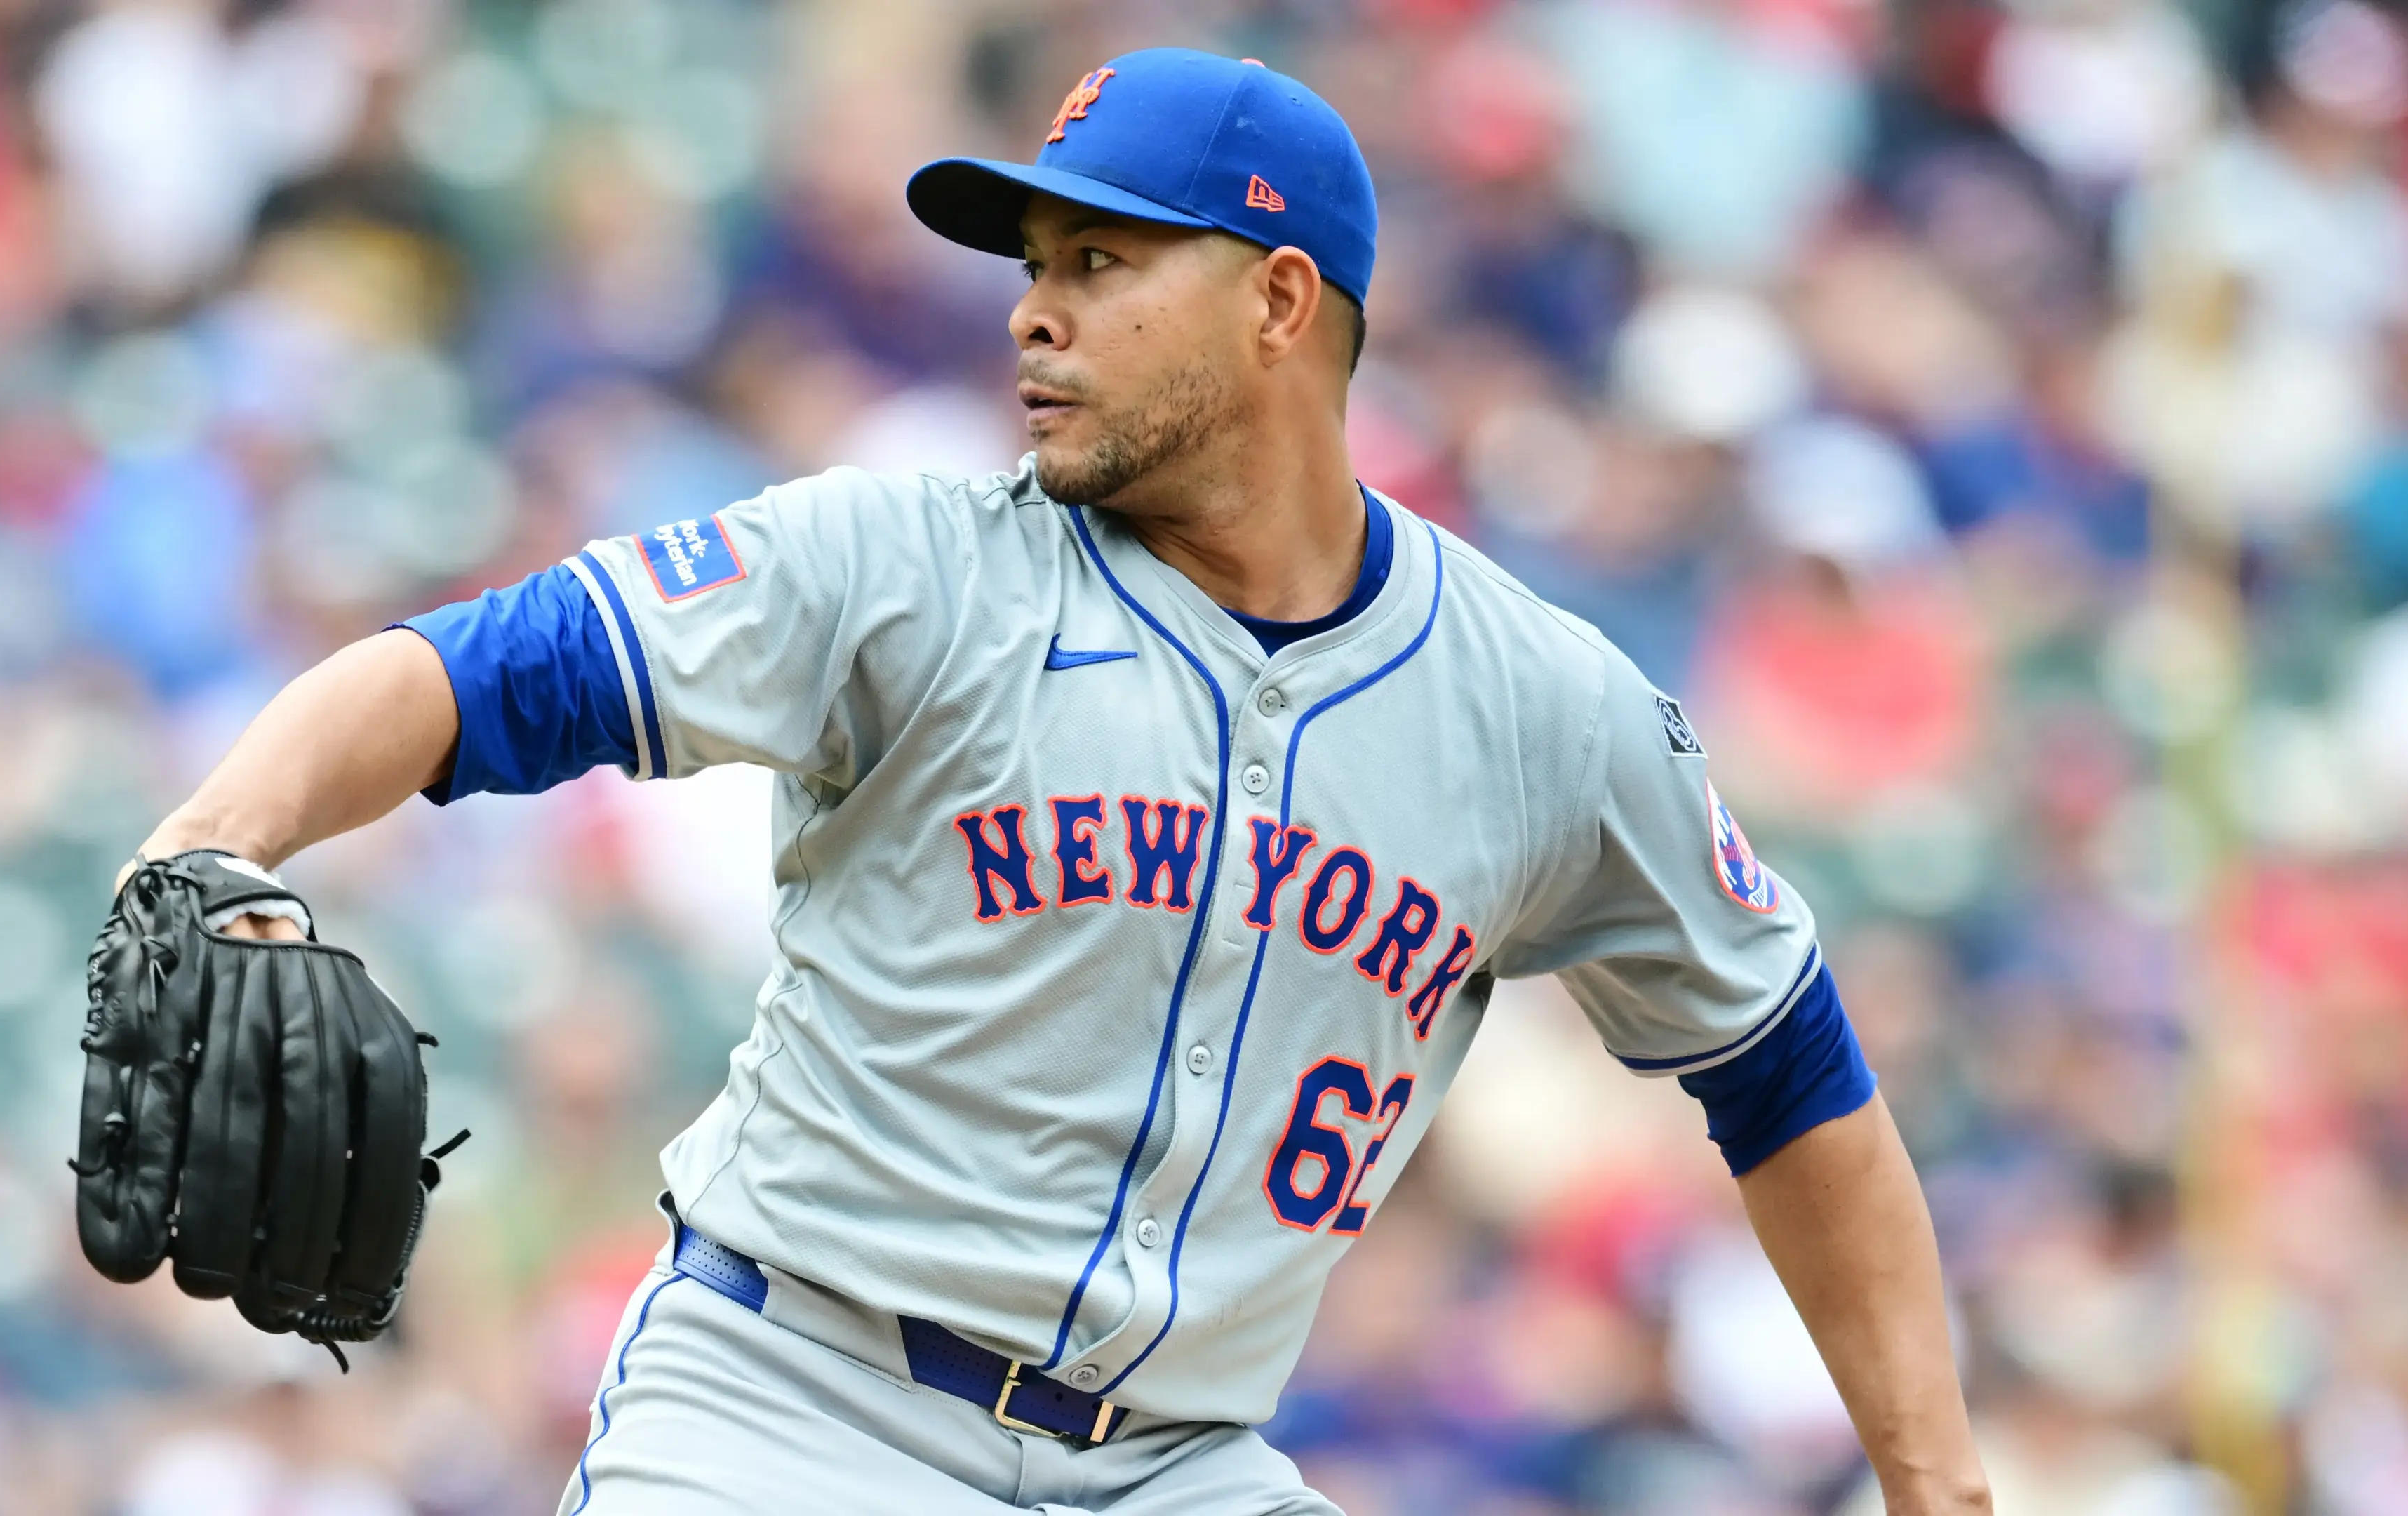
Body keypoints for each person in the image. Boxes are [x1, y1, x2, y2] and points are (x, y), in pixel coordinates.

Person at [129, 48, 1992, 1515]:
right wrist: (212, 843)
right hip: (798, 1406)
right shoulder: (902, 563)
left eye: (1100, 263)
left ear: (1281, 306)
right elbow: (471, 674)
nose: (1034, 311)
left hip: (1183, 1460)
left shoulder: (1545, 710)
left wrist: (1935, 1483)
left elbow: (1789, 1066)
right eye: (1033, 266)